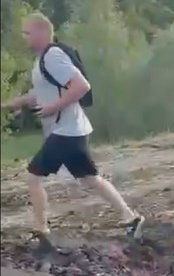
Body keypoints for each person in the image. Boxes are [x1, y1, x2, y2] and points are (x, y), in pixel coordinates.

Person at [1, 13, 144, 243]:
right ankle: (130, 217)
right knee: (90, 178)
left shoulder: (53, 56)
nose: (24, 37)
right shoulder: (41, 60)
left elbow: (81, 86)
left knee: (33, 176)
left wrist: (52, 108)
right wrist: (11, 104)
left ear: (41, 32)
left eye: (27, 33)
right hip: (72, 130)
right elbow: (40, 93)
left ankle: (41, 231)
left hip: (66, 131)